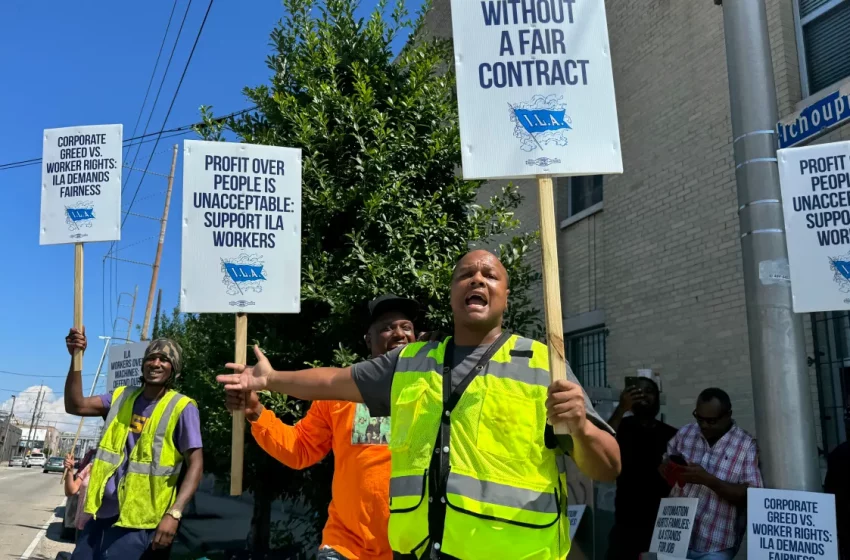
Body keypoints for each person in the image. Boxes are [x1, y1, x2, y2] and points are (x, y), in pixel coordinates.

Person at [219, 249, 621, 560]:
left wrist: (582, 426)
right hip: (376, 549)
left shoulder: (543, 367)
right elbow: (326, 388)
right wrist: (264, 389)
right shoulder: (399, 371)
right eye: (465, 274)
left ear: (505, 294)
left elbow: (608, 466)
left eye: (489, 275)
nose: (477, 279)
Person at [226, 294, 420, 560]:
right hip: (346, 547)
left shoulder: (436, 388)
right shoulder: (340, 390)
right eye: (387, 327)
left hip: (413, 548)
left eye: (406, 327)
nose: (398, 333)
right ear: (368, 340)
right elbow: (300, 449)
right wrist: (256, 413)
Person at [64, 328, 204, 560]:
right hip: (101, 515)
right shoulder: (121, 397)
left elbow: (196, 465)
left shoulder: (182, 407)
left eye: (164, 360)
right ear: (143, 364)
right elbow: (75, 405)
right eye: (151, 357)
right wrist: (76, 357)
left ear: (174, 370)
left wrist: (175, 514)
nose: (156, 363)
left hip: (142, 524)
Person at [661, 388, 763, 560]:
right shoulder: (685, 433)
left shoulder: (746, 445)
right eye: (699, 418)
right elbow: (665, 462)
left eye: (711, 421)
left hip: (715, 544)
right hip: (675, 535)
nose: (704, 425)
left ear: (728, 415)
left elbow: (751, 496)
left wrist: (708, 480)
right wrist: (667, 468)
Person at [606, 378, 677, 560]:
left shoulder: (672, 435)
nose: (644, 395)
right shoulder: (622, 427)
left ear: (658, 397)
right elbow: (603, 444)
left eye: (649, 391)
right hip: (625, 523)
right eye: (638, 391)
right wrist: (622, 408)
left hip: (661, 525)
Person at [64, 448, 97, 541]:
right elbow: (71, 491)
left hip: (101, 527)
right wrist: (69, 471)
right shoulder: (91, 467)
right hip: (82, 526)